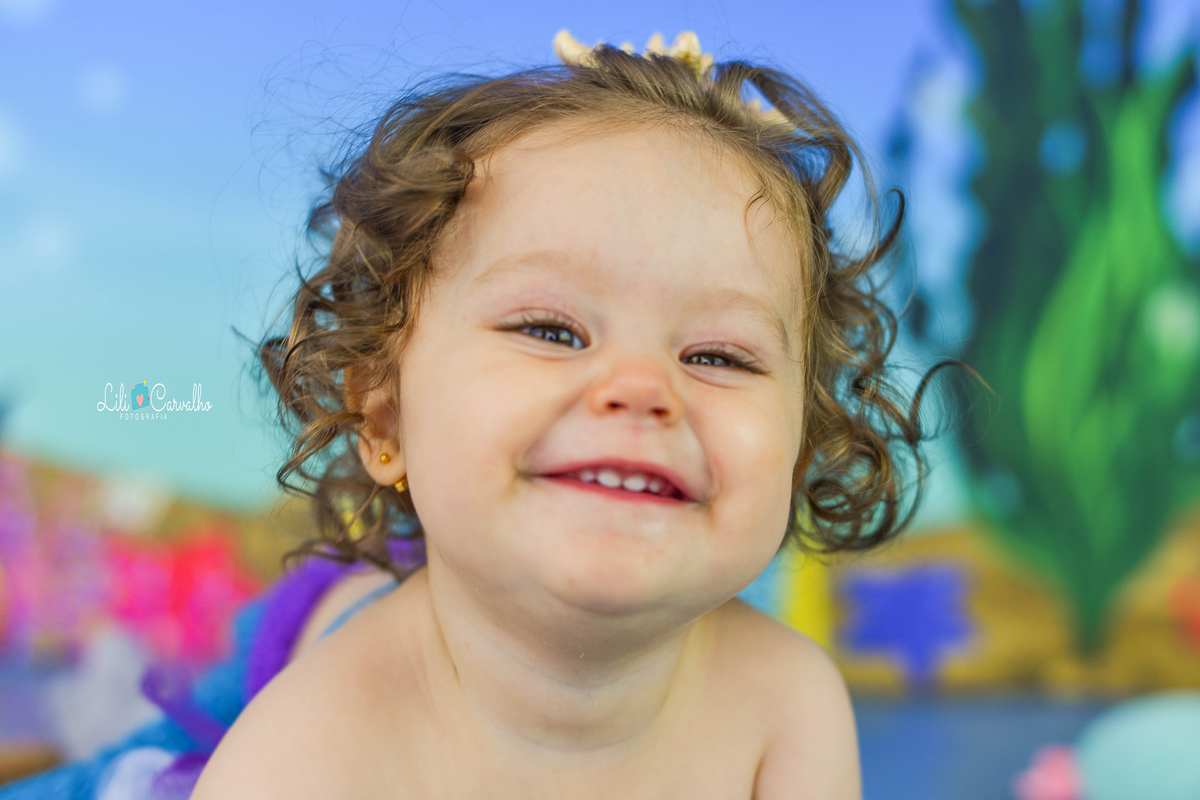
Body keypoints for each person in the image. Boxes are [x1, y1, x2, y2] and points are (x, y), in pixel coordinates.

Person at [2, 31, 931, 800]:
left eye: (719, 356)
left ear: (803, 443)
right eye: (551, 330)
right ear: (385, 421)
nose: (645, 386)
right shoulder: (311, 754)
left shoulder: (786, 704)